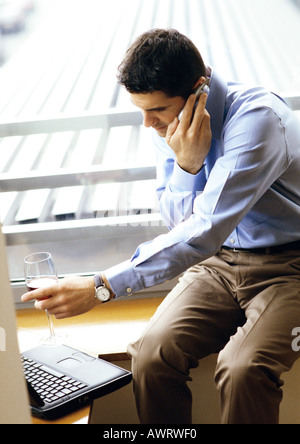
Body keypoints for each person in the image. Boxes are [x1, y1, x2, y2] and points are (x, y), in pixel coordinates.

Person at [22, 29, 300, 424]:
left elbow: (203, 230)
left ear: (198, 89)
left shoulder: (258, 121)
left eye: (156, 110)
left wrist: (101, 287)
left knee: (243, 369)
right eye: (141, 110)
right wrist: (187, 166)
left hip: (290, 267)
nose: (147, 123)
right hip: (217, 263)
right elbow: (178, 225)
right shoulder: (169, 123)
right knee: (149, 354)